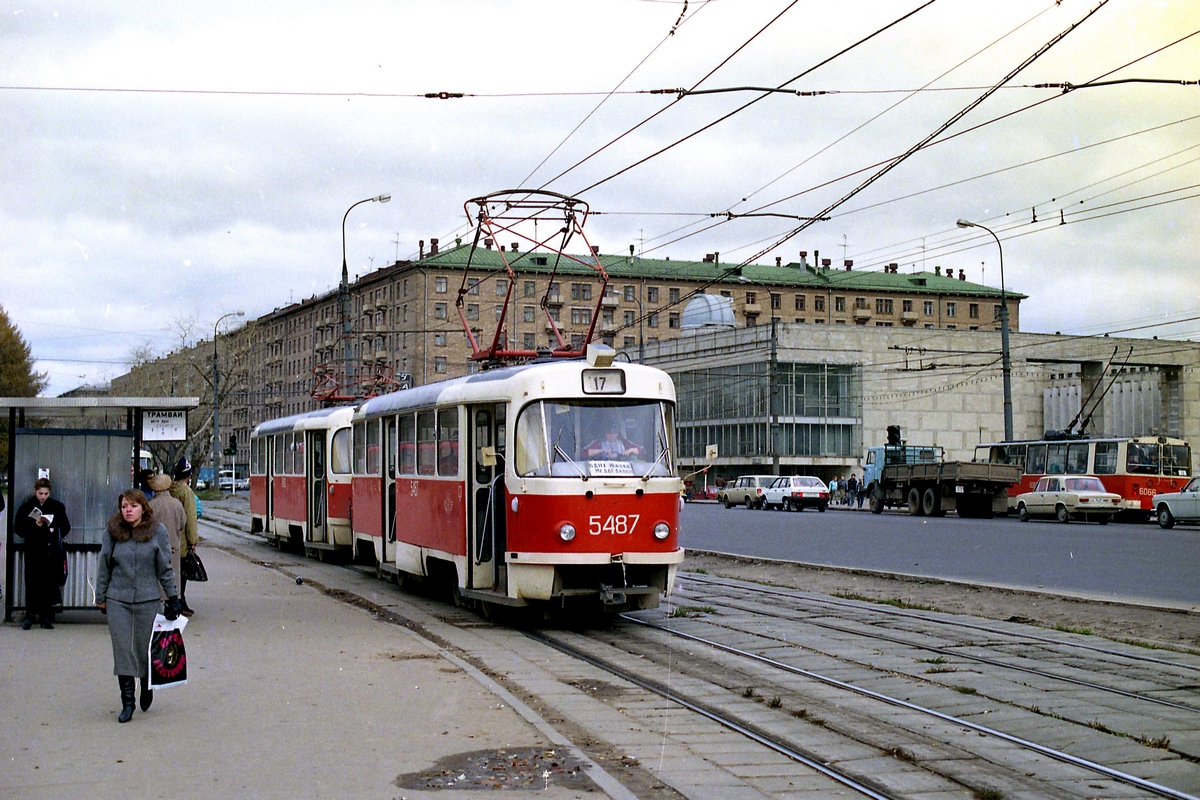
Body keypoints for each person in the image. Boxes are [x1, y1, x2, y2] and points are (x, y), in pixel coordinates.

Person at [95, 489, 181, 723]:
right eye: (124, 506)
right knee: (123, 650)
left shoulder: (157, 531)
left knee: (145, 649)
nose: (128, 510)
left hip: (148, 599)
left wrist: (173, 598)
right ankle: (127, 702)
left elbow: (165, 568)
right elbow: (104, 564)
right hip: (118, 599)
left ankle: (146, 685)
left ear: (143, 507)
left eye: (133, 506)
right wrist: (101, 596)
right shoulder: (112, 531)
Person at [15, 477, 72, 630]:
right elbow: (18, 528)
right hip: (33, 549)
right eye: (40, 493)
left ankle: (45, 615)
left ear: (49, 492)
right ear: (35, 491)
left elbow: (65, 527)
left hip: (49, 549)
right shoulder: (27, 507)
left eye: (46, 494)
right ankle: (30, 614)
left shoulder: (56, 507)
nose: (43, 497)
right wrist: (33, 526)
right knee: (32, 582)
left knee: (48, 582)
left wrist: (51, 528)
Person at [168, 457, 199, 617]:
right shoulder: (186, 492)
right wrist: (193, 540)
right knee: (182, 574)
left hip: (169, 536)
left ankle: (178, 601)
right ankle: (180, 602)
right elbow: (190, 518)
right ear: (189, 475)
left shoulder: (170, 489)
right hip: (182, 540)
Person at [147, 472, 186, 594]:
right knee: (172, 580)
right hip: (173, 548)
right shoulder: (177, 504)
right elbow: (182, 524)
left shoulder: (150, 505)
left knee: (157, 583)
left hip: (154, 548)